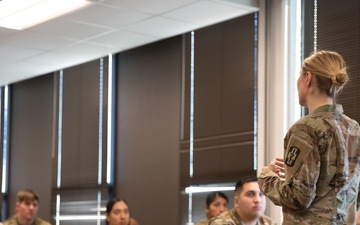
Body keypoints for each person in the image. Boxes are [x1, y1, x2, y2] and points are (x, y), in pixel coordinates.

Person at [258, 50, 360, 224]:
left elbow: (298, 198)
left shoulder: (305, 129)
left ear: (308, 78)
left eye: (299, 75)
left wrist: (266, 177)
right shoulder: (353, 128)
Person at [208, 176, 277, 225]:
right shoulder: (221, 223)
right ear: (237, 201)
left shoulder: (269, 223)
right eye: (250, 194)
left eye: (261, 194)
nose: (257, 200)